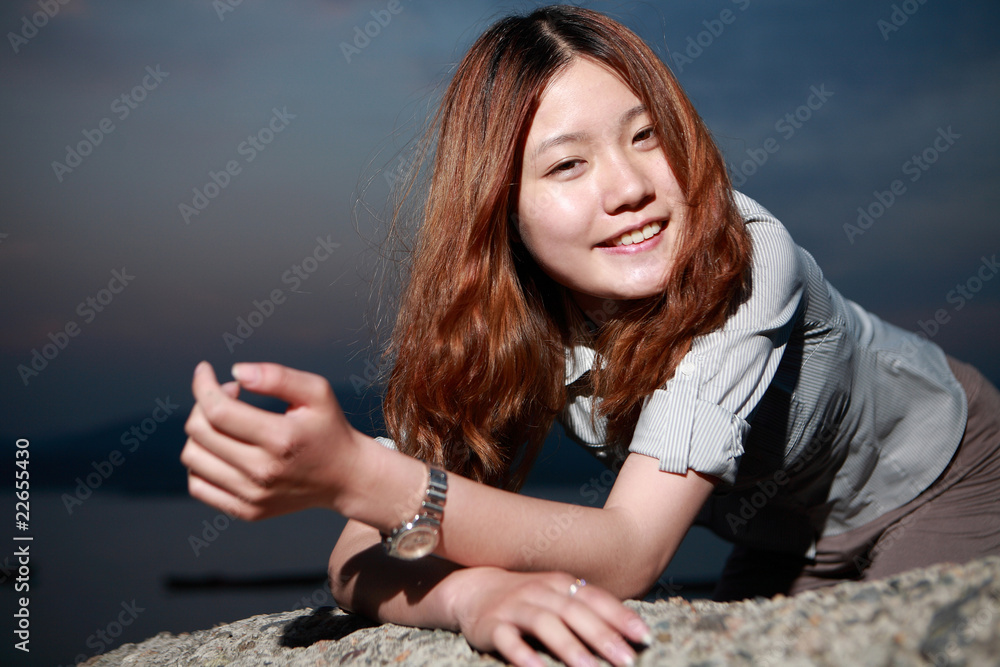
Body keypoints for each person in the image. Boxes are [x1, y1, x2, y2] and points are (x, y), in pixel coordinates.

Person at [180, 5, 1000, 667]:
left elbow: (629, 550)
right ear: (501, 207)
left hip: (937, 473)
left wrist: (363, 473)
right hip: (786, 530)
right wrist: (472, 596)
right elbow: (356, 553)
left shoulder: (747, 259)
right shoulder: (511, 318)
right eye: (567, 165)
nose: (631, 187)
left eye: (647, 136)